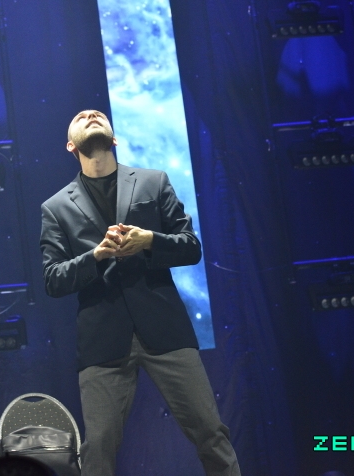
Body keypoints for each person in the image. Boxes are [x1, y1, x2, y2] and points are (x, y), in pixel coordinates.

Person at [39, 110, 241, 476]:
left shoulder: (153, 181)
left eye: (98, 115)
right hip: (103, 340)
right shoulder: (55, 207)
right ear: (71, 146)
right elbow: (53, 279)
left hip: (164, 327)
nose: (91, 115)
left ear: (114, 139)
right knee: (98, 447)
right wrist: (96, 255)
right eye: (82, 117)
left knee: (210, 432)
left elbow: (190, 247)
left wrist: (149, 240)